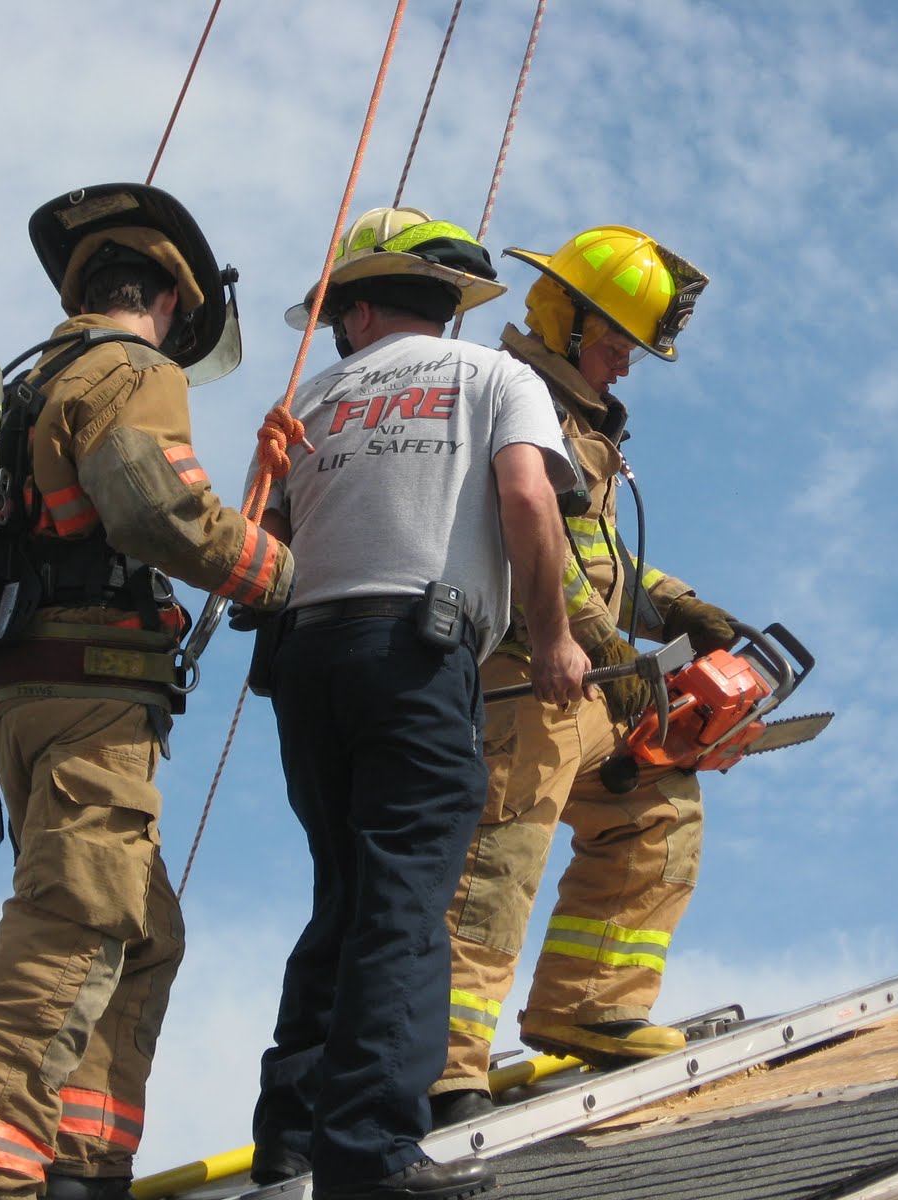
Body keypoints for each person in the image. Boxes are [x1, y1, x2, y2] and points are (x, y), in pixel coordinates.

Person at [0, 183, 293, 1200]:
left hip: (24, 691)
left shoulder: (39, 379)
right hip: (89, 695)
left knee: (142, 929)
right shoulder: (132, 368)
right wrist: (285, 577)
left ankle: (82, 1158)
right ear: (169, 297)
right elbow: (154, 508)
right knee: (74, 923)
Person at [246, 207, 589, 1200]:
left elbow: (253, 547)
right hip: (416, 654)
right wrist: (555, 638)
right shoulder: (494, 378)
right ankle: (374, 1155)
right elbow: (527, 500)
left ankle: (294, 1139)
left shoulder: (307, 398)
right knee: (404, 895)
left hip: (308, 664)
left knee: (344, 891)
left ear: (356, 314)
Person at [428, 226, 737, 1126]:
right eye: (615, 345)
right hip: (520, 681)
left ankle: (589, 1004)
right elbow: (539, 549)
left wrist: (677, 606)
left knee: (659, 805)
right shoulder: (516, 396)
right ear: (566, 319)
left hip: (580, 681)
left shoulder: (582, 423)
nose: (626, 369)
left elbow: (596, 558)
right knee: (493, 867)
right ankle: (446, 1068)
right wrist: (614, 651)